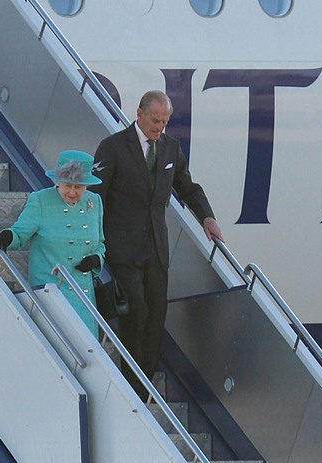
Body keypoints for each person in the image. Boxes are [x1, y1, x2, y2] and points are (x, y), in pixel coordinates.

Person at [93, 90, 224, 390]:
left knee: (156, 314)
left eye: (164, 122)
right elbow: (96, 198)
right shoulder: (112, 147)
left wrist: (206, 216)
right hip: (122, 245)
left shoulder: (169, 148)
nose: (159, 127)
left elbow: (188, 187)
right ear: (138, 113)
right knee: (135, 308)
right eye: (155, 120)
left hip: (156, 247)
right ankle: (130, 381)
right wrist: (95, 241)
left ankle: (144, 386)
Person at [0, 150, 105, 335]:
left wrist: (96, 260)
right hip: (51, 292)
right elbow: (19, 233)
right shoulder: (41, 200)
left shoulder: (94, 202)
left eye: (79, 187)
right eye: (68, 185)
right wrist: (6, 237)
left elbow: (100, 244)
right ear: (58, 180)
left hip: (83, 296)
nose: (73, 192)